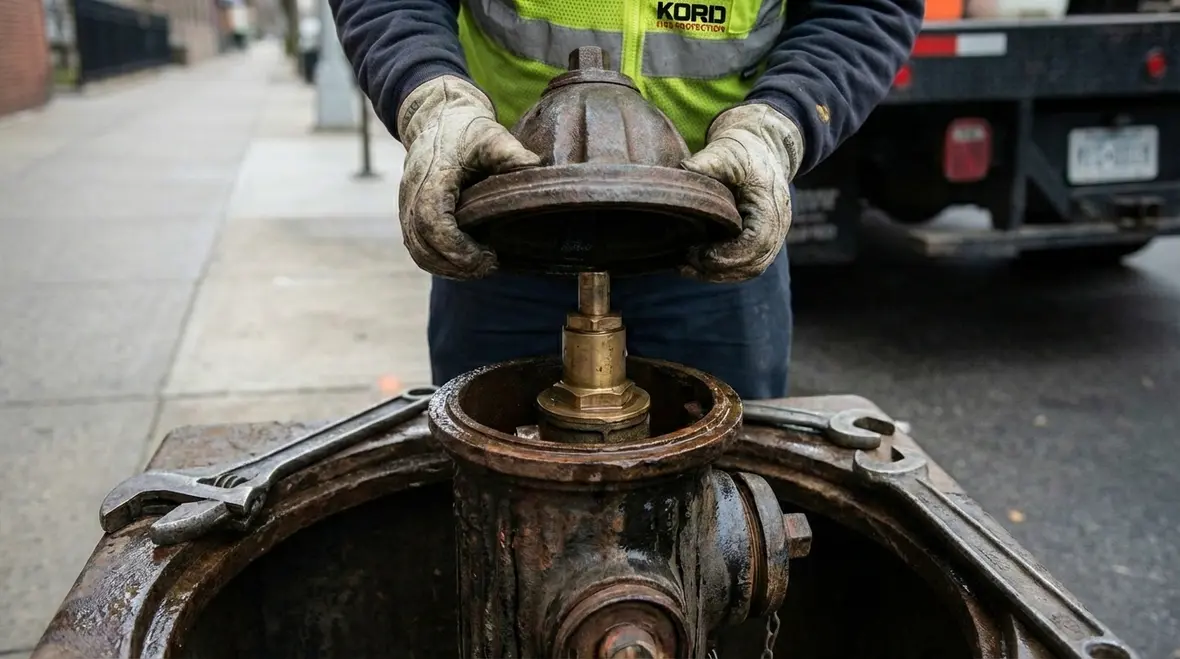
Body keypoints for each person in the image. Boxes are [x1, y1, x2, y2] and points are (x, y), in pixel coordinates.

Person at [330, 0, 922, 399]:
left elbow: (861, 8)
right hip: (504, 221)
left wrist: (780, 122)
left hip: (715, 225)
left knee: (729, 483)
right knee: (488, 466)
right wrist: (432, 98)